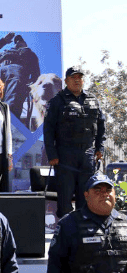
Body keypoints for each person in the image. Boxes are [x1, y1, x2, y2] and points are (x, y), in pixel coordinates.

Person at [44, 66, 106, 218]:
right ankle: (65, 234)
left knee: (86, 196)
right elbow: (48, 131)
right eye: (73, 77)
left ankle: (83, 233)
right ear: (66, 81)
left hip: (87, 155)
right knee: (65, 198)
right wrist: (52, 155)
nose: (77, 80)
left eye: (79, 77)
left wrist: (100, 149)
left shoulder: (93, 100)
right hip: (66, 155)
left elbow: (101, 127)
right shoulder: (57, 102)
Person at [0, 32, 40, 119]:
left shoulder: (29, 54)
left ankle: (9, 123)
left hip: (17, 73)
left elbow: (36, 74)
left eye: (20, 41)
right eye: (16, 41)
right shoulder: (5, 52)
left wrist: (29, 86)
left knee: (11, 104)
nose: (17, 42)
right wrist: (4, 40)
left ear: (25, 44)